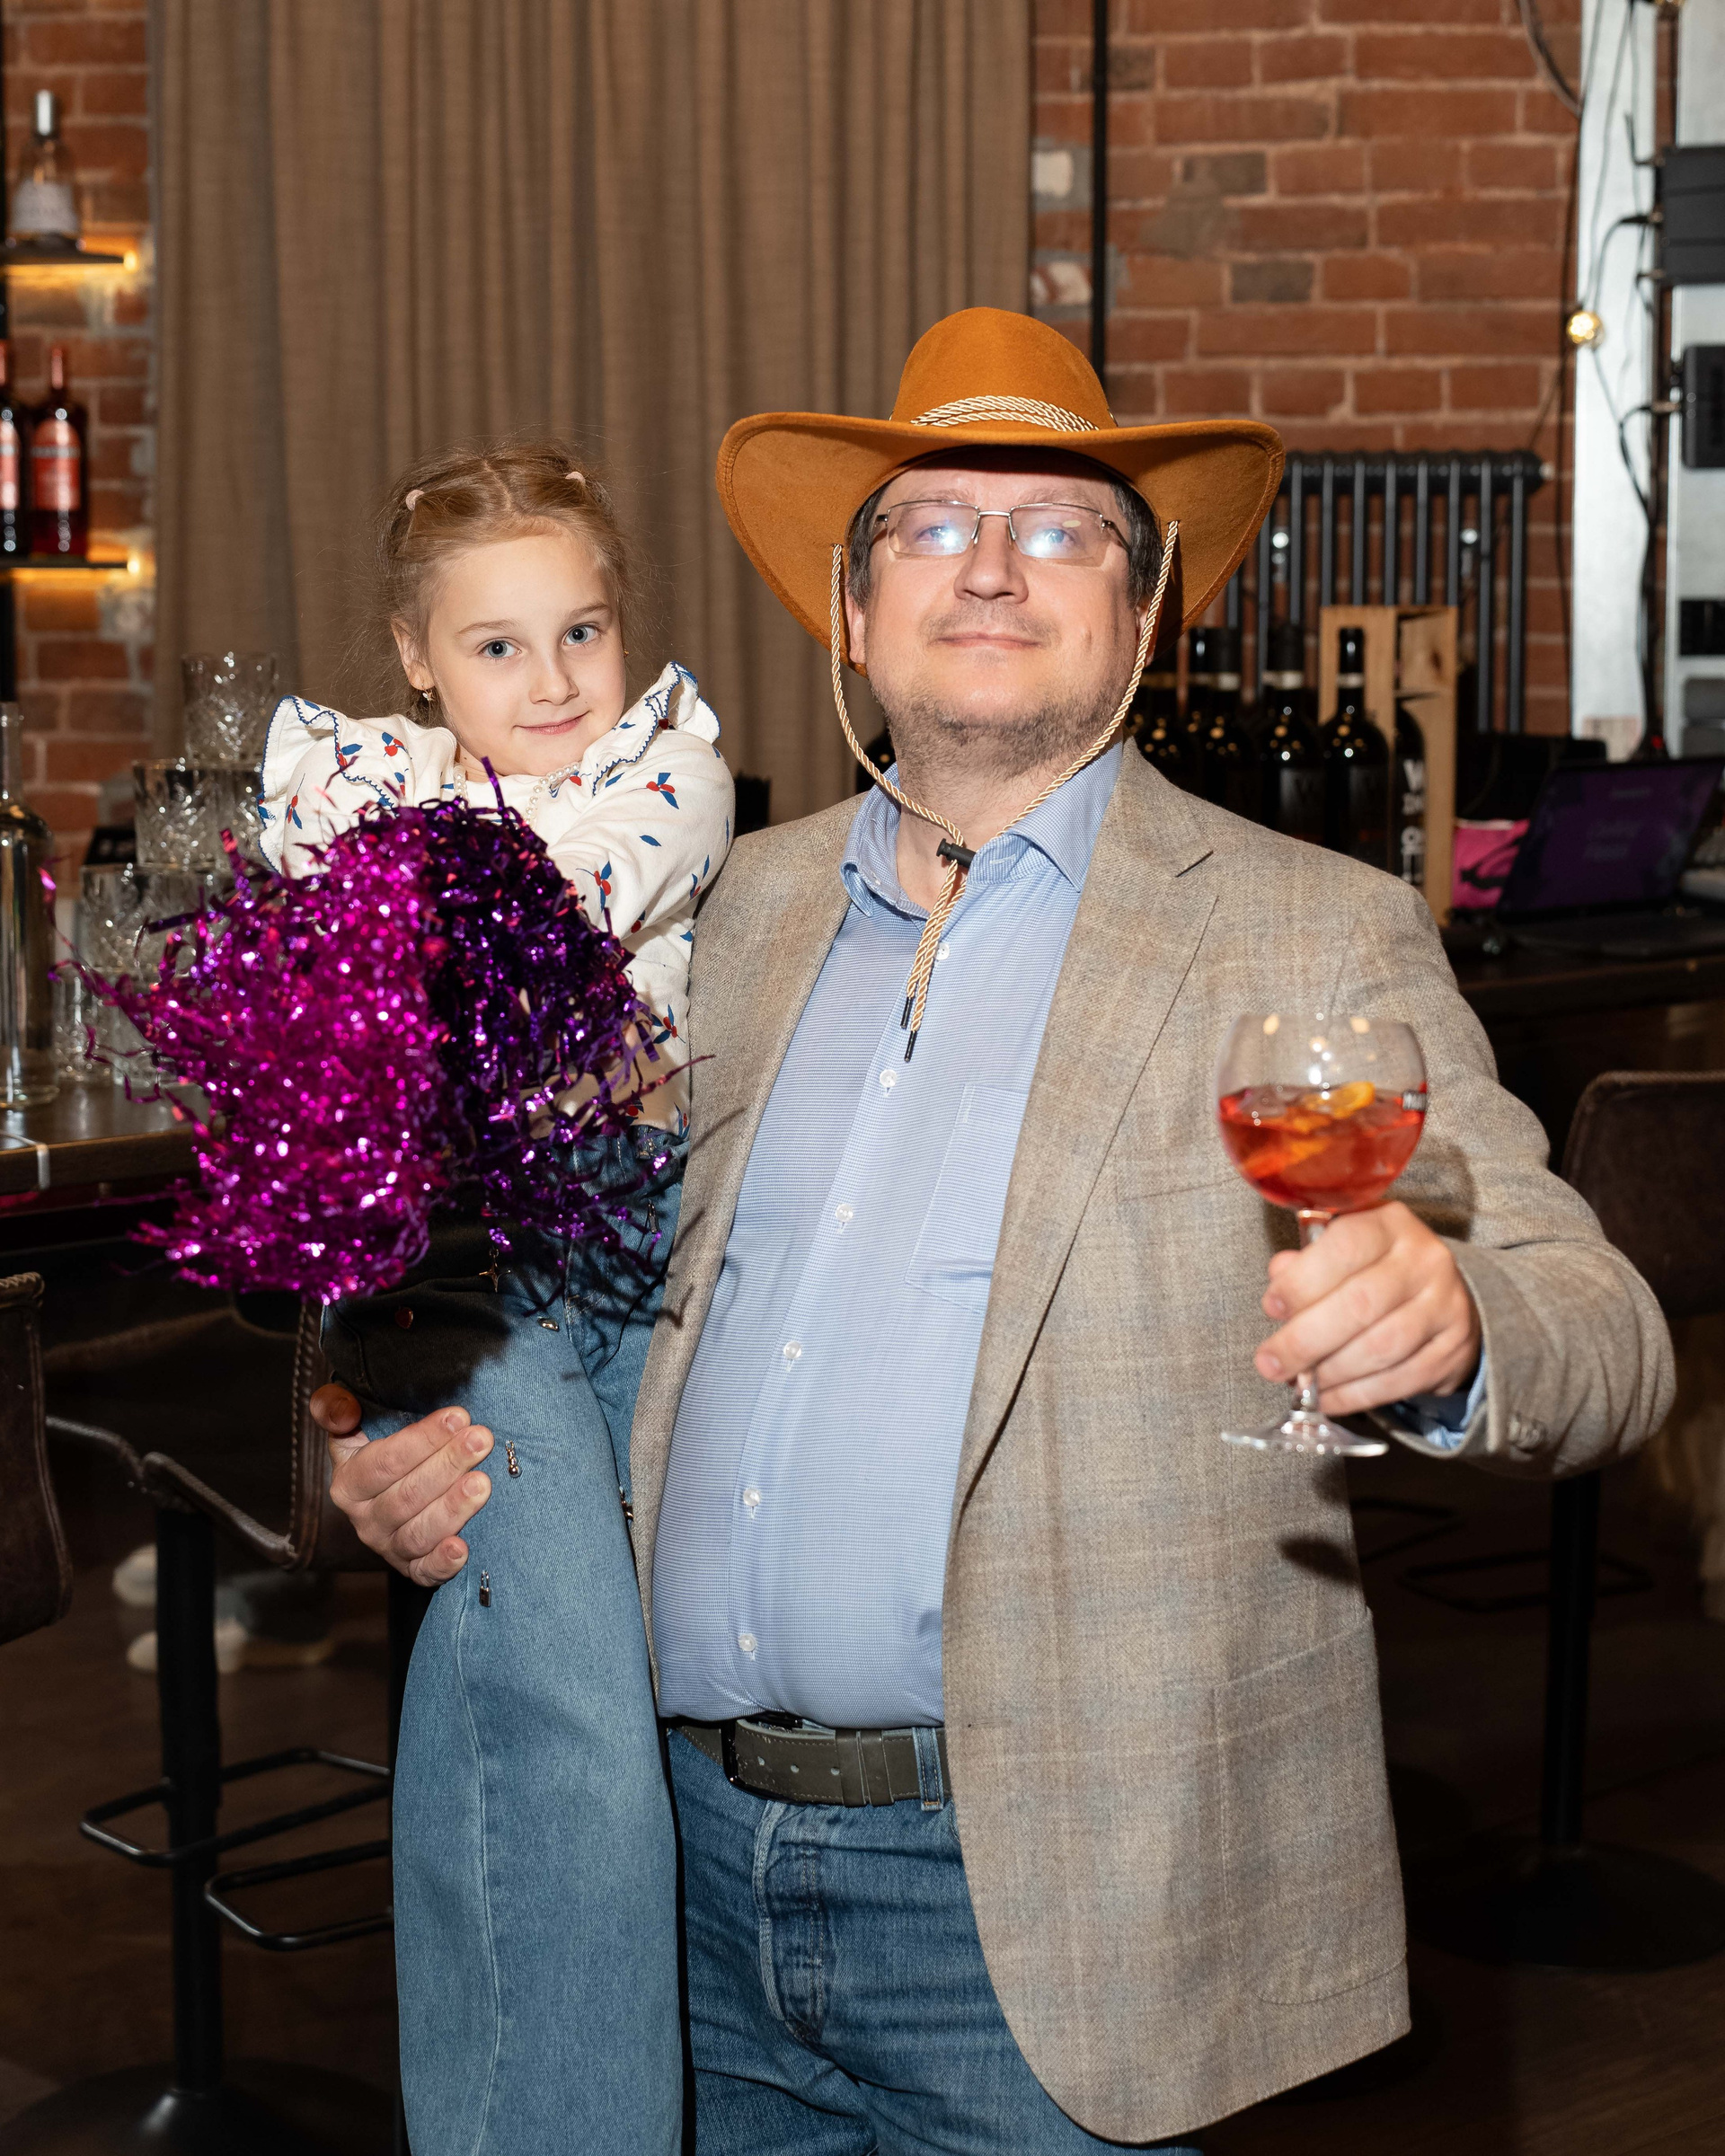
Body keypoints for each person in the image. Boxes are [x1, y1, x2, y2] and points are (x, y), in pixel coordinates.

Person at [313, 315, 1673, 2152]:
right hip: (674, 1888)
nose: (991, 569)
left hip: (1050, 1913)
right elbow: (513, 1262)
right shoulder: (730, 911)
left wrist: (1457, 1324)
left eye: (1059, 530)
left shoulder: (1303, 929)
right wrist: (376, 1443)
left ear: (1145, 609)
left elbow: (1603, 1324)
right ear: (852, 609)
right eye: (933, 526)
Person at [267, 440, 733, 2156]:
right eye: (495, 645)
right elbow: (327, 894)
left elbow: (550, 917)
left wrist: (408, 902)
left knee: (580, 1701)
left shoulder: (672, 766)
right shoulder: (358, 766)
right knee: (570, 1729)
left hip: (649, 1242)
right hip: (462, 1272)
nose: (552, 682)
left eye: (581, 631)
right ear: (413, 657)